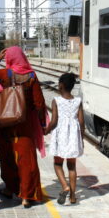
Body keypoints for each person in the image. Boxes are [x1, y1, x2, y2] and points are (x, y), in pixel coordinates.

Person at [0, 46, 46, 208]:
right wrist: (43, 124)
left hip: (5, 123)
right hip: (24, 123)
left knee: (8, 157)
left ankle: (10, 189)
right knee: (27, 160)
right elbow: (39, 103)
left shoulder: (6, 73)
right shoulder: (31, 76)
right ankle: (27, 195)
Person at [44, 73, 84, 205]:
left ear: (61, 86)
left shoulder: (56, 101)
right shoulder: (78, 101)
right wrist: (81, 139)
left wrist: (47, 130)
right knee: (72, 166)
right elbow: (81, 122)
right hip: (73, 135)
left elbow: (54, 121)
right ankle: (73, 196)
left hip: (61, 135)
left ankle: (64, 186)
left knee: (58, 164)